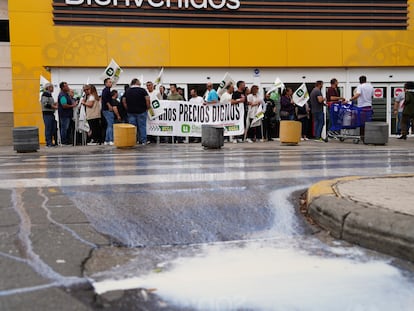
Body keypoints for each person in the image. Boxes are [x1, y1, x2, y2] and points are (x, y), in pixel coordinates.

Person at [125, 78, 150, 145]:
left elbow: (124, 100)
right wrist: (147, 107)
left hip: (131, 112)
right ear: (136, 82)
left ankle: (133, 141)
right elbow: (147, 99)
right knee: (142, 126)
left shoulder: (128, 91)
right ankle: (143, 141)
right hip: (141, 111)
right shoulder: (142, 90)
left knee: (132, 127)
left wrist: (127, 108)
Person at [349, 75, 374, 140]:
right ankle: (367, 136)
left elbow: (358, 94)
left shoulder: (360, 86)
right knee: (367, 122)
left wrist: (351, 99)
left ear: (360, 81)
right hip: (368, 106)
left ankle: (362, 136)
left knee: (361, 122)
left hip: (362, 107)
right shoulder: (371, 86)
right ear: (366, 80)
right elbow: (372, 96)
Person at [40, 83, 58, 147]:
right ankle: (48, 142)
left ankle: (50, 142)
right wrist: (54, 107)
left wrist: (55, 103)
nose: (53, 88)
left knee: (52, 128)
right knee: (48, 128)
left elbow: (49, 103)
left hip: (50, 113)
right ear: (48, 88)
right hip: (47, 113)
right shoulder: (45, 94)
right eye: (52, 87)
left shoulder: (49, 95)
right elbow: (45, 104)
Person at [101, 78, 114, 145]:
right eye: (109, 82)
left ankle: (107, 140)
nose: (110, 83)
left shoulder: (107, 90)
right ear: (106, 83)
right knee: (110, 125)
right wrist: (109, 105)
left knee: (109, 125)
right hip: (107, 110)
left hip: (105, 109)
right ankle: (110, 140)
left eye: (111, 82)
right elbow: (105, 98)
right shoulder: (106, 90)